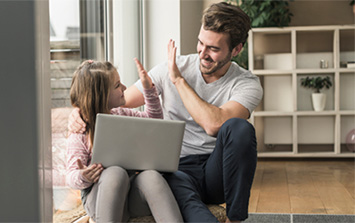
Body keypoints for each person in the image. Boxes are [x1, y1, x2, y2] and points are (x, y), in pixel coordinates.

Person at [69, 2, 263, 222]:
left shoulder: (247, 84)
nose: (203, 53)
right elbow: (115, 100)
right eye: (201, 43)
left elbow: (214, 124)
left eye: (214, 49)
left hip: (216, 173)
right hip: (176, 172)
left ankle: (236, 218)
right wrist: (79, 111)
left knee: (240, 128)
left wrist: (178, 80)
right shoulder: (168, 68)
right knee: (194, 212)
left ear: (236, 49)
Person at [66, 59, 183, 223]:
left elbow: (153, 123)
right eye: (117, 85)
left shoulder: (122, 114)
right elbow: (71, 176)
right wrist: (83, 176)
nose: (124, 88)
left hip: (130, 198)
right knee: (115, 172)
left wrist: (148, 89)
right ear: (100, 95)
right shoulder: (80, 130)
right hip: (100, 199)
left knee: (151, 176)